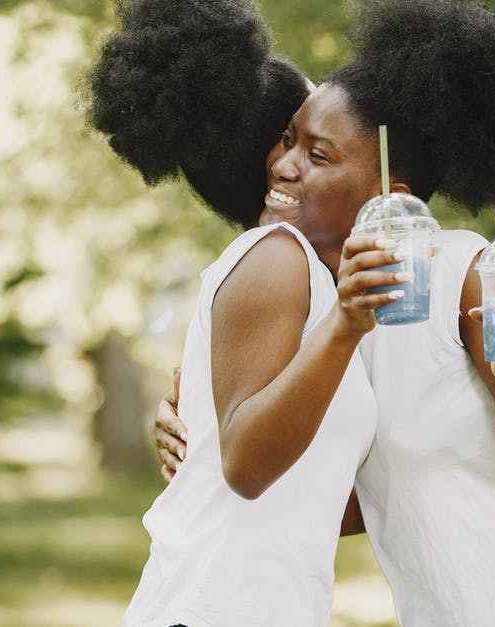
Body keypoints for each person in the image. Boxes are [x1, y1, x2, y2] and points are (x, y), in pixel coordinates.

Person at [143, 0, 495, 626]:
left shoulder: (457, 270)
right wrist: (196, 427)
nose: (283, 163)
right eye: (288, 139)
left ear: (390, 195)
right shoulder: (322, 304)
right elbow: (339, 499)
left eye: (320, 154)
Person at [88, 1, 384, 625]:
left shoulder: (310, 281)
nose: (297, 156)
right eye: (294, 136)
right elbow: (249, 466)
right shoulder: (276, 258)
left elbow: (327, 498)